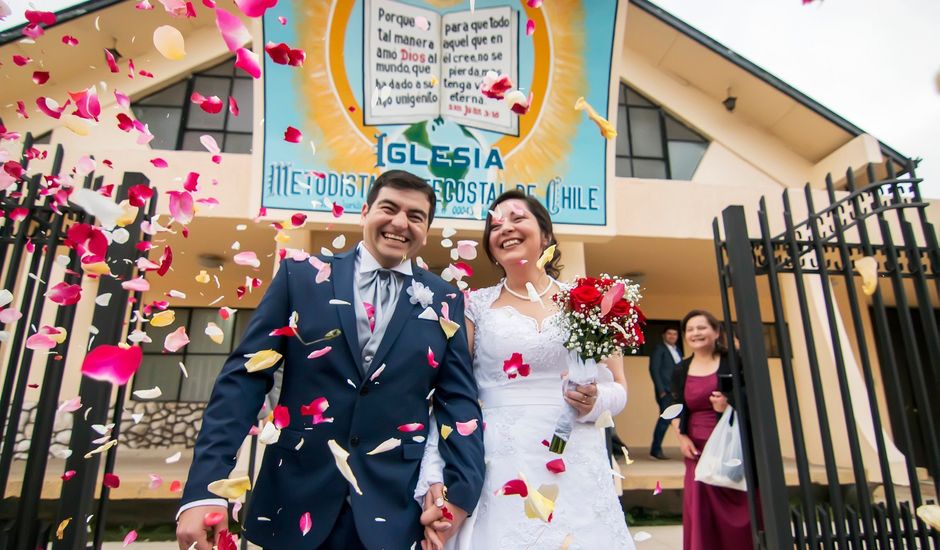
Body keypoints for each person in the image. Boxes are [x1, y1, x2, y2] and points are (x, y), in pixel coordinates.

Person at [175, 170, 485, 549]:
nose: (400, 223)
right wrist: (205, 488)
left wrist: (459, 497)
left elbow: (460, 406)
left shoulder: (445, 301)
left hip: (392, 509)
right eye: (389, 208)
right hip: (293, 501)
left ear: (426, 230)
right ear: (365, 211)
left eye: (415, 216)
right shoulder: (300, 277)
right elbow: (244, 380)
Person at [416, 190, 635, 550]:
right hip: (500, 458)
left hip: (574, 456)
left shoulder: (589, 302)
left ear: (545, 235)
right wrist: (434, 470)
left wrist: (594, 400)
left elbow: (620, 390)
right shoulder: (474, 307)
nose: (506, 228)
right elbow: (453, 395)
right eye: (495, 225)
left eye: (518, 219)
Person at [671, 310, 751, 550]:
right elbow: (674, 406)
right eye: (690, 329)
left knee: (738, 509)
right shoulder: (681, 369)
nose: (696, 333)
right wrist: (681, 437)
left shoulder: (734, 360)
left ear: (716, 332)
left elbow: (754, 396)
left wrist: (729, 403)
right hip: (696, 449)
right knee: (700, 510)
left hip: (731, 444)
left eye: (702, 327)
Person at [649, 326, 681, 459]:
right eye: (669, 334)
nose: (672, 336)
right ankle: (655, 451)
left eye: (675, 334)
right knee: (665, 420)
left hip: (677, 391)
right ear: (664, 335)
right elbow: (654, 370)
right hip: (666, 391)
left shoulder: (677, 350)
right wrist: (661, 390)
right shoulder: (659, 349)